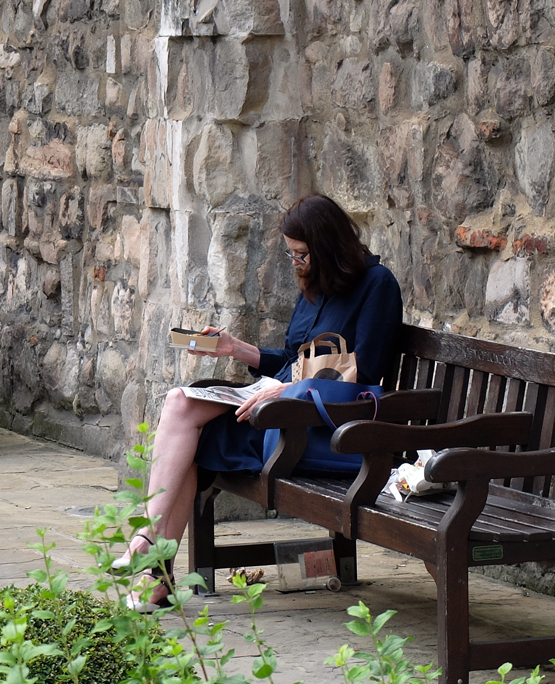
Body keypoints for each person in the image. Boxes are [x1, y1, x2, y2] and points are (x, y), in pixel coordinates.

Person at [116, 194, 404, 610]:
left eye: (302, 254)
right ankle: (149, 549)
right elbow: (292, 360)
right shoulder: (314, 288)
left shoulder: (378, 285)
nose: (296, 264)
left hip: (318, 429)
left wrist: (288, 391)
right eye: (291, 254)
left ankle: (153, 567)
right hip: (278, 409)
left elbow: (366, 378)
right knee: (180, 403)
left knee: (193, 441)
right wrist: (234, 349)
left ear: (328, 248)